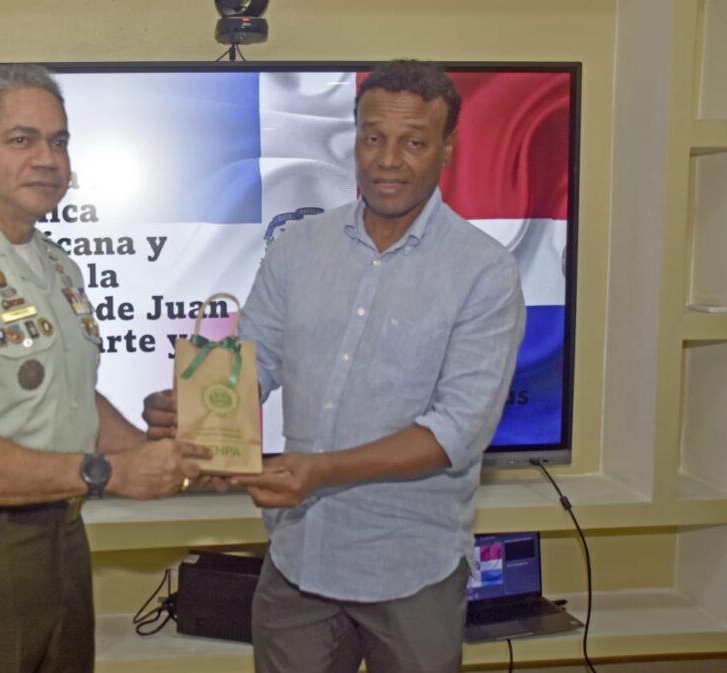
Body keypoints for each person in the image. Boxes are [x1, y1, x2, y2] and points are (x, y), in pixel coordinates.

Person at [144, 59, 525, 673]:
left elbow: (456, 430)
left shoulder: (485, 272)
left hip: (411, 569)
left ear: (447, 148)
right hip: (299, 559)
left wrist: (321, 470)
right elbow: (256, 360)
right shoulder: (297, 246)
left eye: (413, 142)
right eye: (373, 137)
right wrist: (192, 412)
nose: (388, 160)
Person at [0, 64, 206, 673]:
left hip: (62, 534)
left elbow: (70, 398)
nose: (47, 159)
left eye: (59, 141)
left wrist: (163, 455)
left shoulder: (55, 265)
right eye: (21, 139)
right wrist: (108, 473)